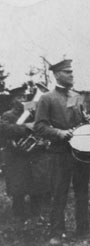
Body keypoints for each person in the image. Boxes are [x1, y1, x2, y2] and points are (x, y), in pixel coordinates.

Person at [34, 59, 90, 245]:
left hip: (80, 152)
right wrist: (59, 133)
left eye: (72, 72)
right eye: (68, 72)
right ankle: (56, 233)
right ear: (58, 75)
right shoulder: (47, 98)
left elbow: (79, 120)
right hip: (60, 154)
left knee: (82, 191)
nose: (72, 75)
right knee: (59, 193)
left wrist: (86, 119)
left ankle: (83, 229)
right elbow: (39, 126)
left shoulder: (76, 96)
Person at [1, 85, 50, 222]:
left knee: (36, 185)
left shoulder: (33, 113)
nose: (22, 99)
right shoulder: (8, 115)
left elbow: (41, 129)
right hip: (17, 157)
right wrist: (25, 127)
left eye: (24, 96)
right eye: (19, 97)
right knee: (18, 187)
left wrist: (42, 141)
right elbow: (4, 130)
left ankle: (36, 213)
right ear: (12, 100)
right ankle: (19, 214)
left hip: (33, 155)